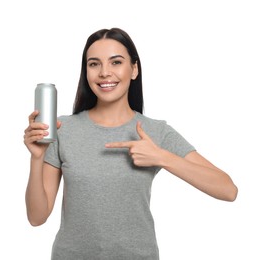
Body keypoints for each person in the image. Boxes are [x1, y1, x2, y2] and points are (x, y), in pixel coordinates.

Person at [24, 27, 238, 260]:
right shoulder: (62, 130)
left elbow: (228, 190)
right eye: (94, 64)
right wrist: (37, 158)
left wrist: (162, 157)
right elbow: (37, 217)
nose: (105, 72)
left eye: (116, 62)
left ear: (134, 69)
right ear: (86, 71)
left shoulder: (156, 131)